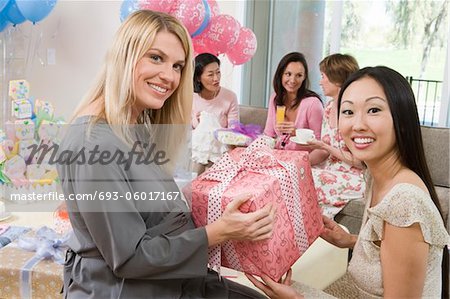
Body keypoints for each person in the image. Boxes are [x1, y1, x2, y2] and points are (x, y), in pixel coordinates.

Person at [56, 10, 275, 298]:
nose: (169, 77)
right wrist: (219, 232)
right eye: (156, 58)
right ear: (124, 56)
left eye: (178, 66)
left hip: (170, 277)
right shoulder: (93, 145)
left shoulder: (133, 125)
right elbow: (130, 257)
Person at [247, 66, 450, 298]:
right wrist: (352, 241)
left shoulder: (404, 202)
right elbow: (392, 250)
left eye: (374, 110)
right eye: (348, 112)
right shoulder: (376, 177)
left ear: (402, 119)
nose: (358, 124)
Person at [308, 54, 365, 217]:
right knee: (299, 174)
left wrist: (325, 146)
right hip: (331, 169)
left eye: (323, 76)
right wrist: (298, 162)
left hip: (356, 176)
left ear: (337, 79)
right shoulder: (329, 107)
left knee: (310, 178)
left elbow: (361, 162)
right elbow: (323, 151)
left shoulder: (355, 112)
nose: (320, 81)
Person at [264, 52, 323, 150]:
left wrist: (297, 133)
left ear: (304, 77)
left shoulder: (313, 103)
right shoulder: (275, 98)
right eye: (288, 74)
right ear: (281, 74)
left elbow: (320, 144)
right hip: (278, 158)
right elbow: (268, 135)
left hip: (303, 160)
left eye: (299, 75)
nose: (292, 80)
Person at [191, 53, 239, 129]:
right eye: (210, 75)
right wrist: (199, 122)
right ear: (198, 78)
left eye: (218, 72)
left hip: (222, 140)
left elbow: (234, 132)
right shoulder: (190, 98)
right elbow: (185, 131)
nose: (216, 78)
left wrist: (211, 124)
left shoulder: (230, 97)